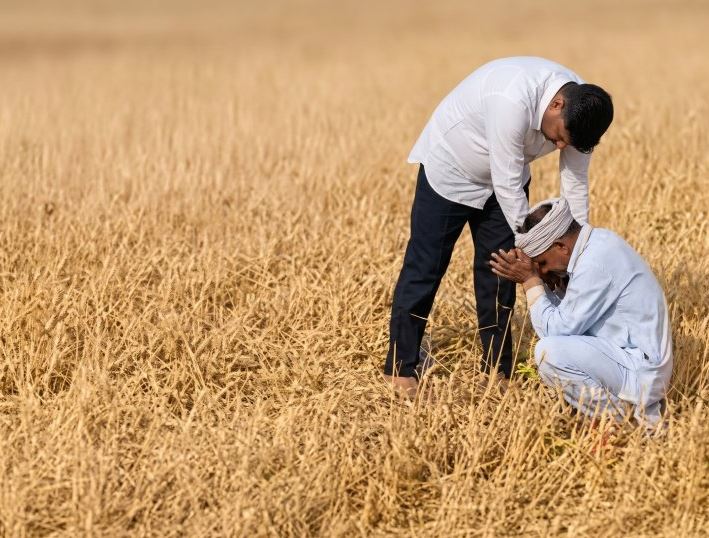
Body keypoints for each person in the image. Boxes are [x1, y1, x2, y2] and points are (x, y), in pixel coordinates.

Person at [383, 57, 614, 396]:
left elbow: (575, 184)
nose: (560, 147)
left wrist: (576, 253)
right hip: (450, 173)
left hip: (505, 181)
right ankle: (400, 368)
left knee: (502, 272)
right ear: (556, 105)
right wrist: (535, 248)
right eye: (559, 138)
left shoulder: (584, 111)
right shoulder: (511, 99)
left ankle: (496, 371)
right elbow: (507, 182)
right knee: (425, 267)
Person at [489, 198, 672, 425]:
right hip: (626, 358)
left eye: (543, 263)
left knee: (549, 353)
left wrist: (530, 281)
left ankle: (622, 421)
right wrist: (548, 284)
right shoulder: (596, 245)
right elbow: (570, 320)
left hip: (640, 371)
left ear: (561, 247)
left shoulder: (594, 263)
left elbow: (554, 331)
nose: (544, 271)